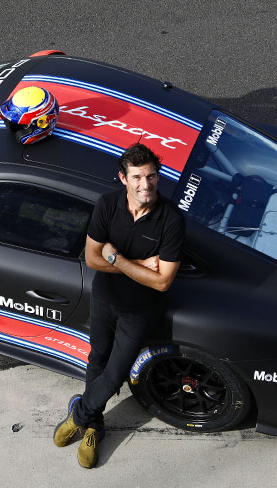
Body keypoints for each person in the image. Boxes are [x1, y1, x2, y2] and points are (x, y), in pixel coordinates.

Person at [53, 143, 185, 468]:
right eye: (137, 177)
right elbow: (92, 259)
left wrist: (117, 257)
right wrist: (137, 263)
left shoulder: (171, 220)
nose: (146, 184)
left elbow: (162, 281)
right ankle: (94, 427)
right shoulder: (108, 205)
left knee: (115, 374)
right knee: (97, 358)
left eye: (152, 176)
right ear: (123, 178)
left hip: (139, 311)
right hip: (105, 299)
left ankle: (79, 415)